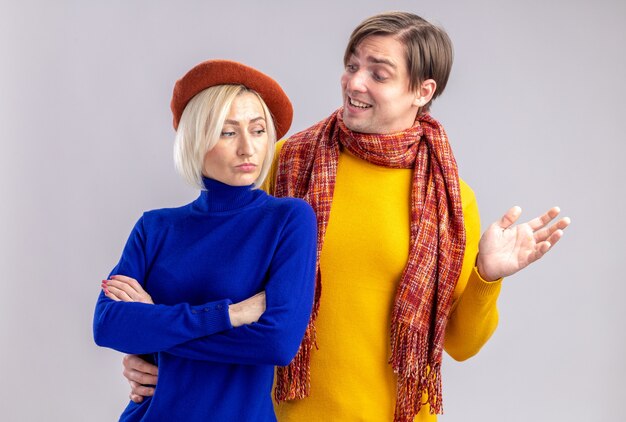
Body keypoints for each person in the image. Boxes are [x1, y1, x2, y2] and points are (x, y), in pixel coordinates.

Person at [121, 12, 571, 422]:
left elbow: (461, 344)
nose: (355, 83)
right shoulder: (285, 161)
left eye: (379, 73)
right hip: (279, 414)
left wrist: (486, 276)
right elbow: (216, 281)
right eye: (352, 65)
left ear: (422, 90)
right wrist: (158, 353)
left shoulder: (450, 201)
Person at [93, 59, 317, 421]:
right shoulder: (155, 228)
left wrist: (155, 327)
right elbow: (107, 325)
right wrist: (230, 314)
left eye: (258, 130)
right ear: (196, 139)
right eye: (228, 133)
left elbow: (277, 343)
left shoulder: (288, 220)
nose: (248, 148)